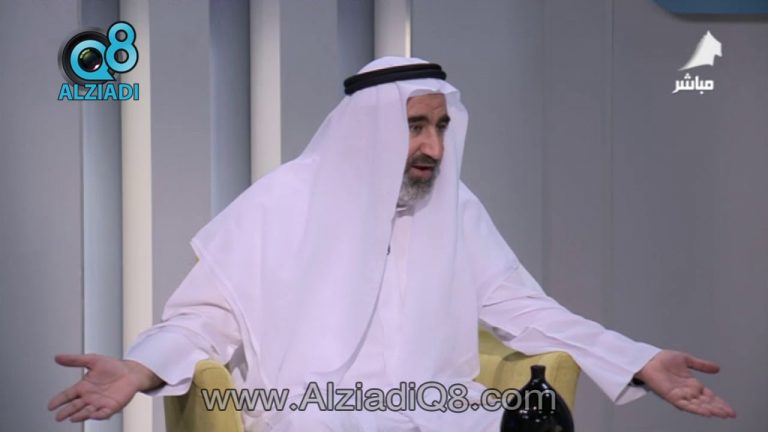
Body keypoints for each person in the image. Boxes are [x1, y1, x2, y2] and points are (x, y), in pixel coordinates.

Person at [49, 57, 736, 430]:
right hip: (316, 413)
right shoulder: (280, 203)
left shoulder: (453, 206)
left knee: (517, 419)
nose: (433, 146)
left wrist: (639, 360)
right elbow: (202, 321)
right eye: (415, 127)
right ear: (370, 129)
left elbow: (525, 311)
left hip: (434, 408)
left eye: (440, 126)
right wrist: (139, 369)